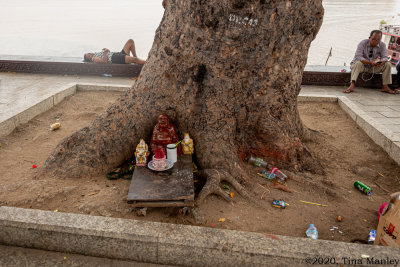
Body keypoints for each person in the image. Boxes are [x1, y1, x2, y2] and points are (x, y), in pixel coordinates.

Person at [344, 30, 399, 94]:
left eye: (378, 39)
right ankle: (352, 85)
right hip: (362, 66)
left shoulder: (382, 45)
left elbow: (385, 57)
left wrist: (381, 61)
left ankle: (385, 87)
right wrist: (370, 62)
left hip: (373, 67)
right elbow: (358, 57)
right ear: (369, 38)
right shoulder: (362, 43)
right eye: (374, 39)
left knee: (388, 64)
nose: (376, 41)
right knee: (358, 63)